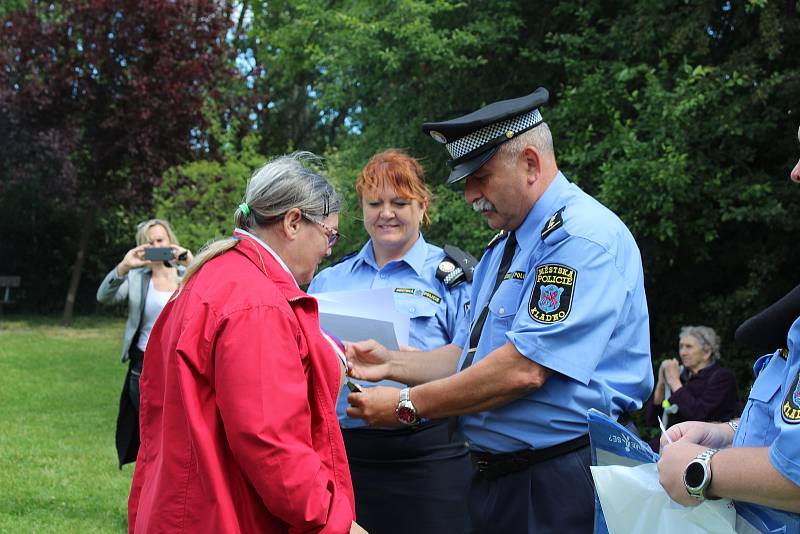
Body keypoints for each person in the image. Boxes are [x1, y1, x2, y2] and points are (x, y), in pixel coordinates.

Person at [345, 88, 653, 533]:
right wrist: (390, 363)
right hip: (501, 480)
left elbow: (522, 370)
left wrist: (407, 404)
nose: (471, 195)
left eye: (481, 177)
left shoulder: (579, 240)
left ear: (530, 163)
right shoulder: (503, 248)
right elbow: (470, 358)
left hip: (561, 478)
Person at [128, 153, 361, 533]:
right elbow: (272, 446)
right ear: (293, 222)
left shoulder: (216, 275)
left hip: (188, 507)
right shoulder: (257, 304)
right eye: (329, 234)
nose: (329, 248)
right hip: (226, 515)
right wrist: (335, 522)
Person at [308, 149, 473, 534]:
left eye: (400, 202)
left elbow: (471, 361)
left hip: (429, 453)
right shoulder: (329, 280)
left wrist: (412, 366)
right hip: (348, 455)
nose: (386, 213)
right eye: (375, 203)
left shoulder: (453, 277)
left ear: (422, 205)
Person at [657, 129, 800, 518]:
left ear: (707, 349)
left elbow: (797, 474)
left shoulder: (717, 378)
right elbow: (782, 427)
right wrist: (725, 434)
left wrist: (702, 468)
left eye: (689, 346)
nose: (794, 172)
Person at [96, 218, 193, 467]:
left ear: (171, 242)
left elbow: (211, 296)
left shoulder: (186, 274)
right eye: (150, 243)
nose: (155, 245)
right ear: (141, 247)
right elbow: (104, 297)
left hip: (178, 366)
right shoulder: (137, 278)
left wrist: (191, 262)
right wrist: (124, 267)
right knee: (150, 436)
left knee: (178, 435)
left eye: (160, 240)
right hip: (142, 368)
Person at [645, 325, 739, 451]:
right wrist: (661, 385)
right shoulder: (682, 377)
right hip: (667, 444)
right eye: (681, 347)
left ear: (706, 352)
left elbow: (699, 415)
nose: (682, 353)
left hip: (702, 449)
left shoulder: (722, 377)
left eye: (688, 347)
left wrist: (674, 382)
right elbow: (652, 421)